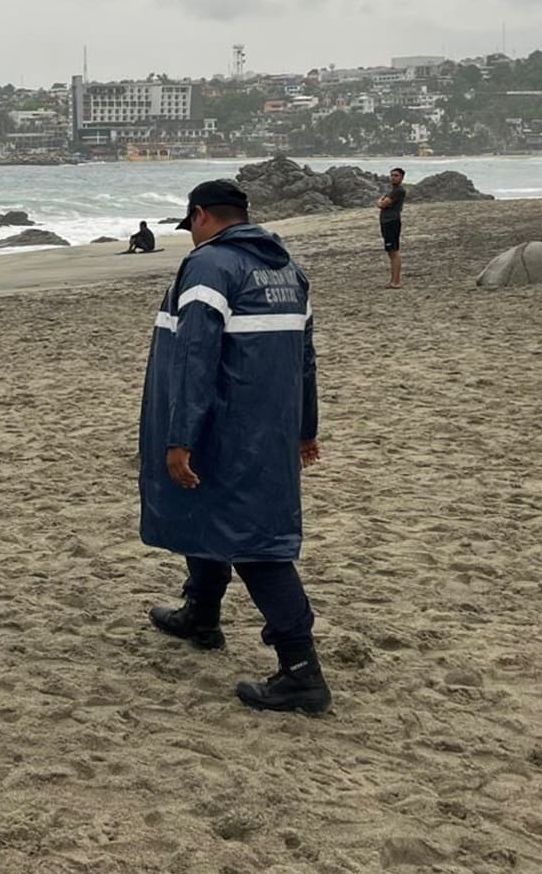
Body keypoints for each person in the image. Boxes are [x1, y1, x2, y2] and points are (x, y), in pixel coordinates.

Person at [140, 180, 330, 714]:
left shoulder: (210, 266)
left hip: (223, 429)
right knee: (203, 512)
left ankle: (301, 671)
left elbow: (194, 357)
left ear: (201, 216)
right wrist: (306, 428)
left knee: (256, 545)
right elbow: (305, 358)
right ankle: (201, 613)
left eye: (191, 226)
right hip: (270, 428)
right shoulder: (288, 271)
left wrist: (179, 438)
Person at [377, 167, 406, 288]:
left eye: (396, 175)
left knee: (394, 251)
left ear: (402, 177)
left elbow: (382, 204)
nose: (393, 178)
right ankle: (393, 280)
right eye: (392, 175)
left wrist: (380, 201)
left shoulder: (398, 191)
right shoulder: (393, 190)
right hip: (386, 221)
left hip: (391, 222)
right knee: (391, 252)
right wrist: (382, 201)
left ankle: (396, 281)